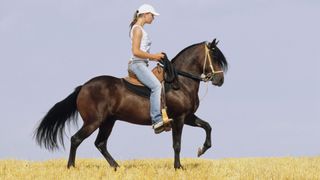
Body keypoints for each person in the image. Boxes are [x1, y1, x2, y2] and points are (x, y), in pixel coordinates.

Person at [128, 4, 167, 133]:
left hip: (141, 63)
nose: (153, 18)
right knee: (156, 86)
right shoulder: (138, 29)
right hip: (137, 64)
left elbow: (142, 52)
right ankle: (156, 120)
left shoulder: (139, 29)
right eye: (152, 15)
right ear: (145, 14)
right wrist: (154, 56)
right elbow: (136, 52)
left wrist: (155, 58)